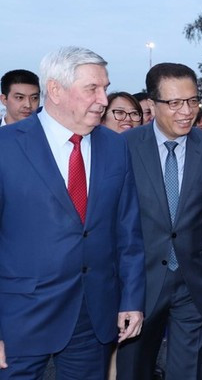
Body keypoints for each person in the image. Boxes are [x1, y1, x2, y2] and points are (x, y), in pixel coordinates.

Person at [0, 47, 145, 377]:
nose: (103, 99)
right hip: (20, 314)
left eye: (105, 88)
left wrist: (132, 299)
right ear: (55, 90)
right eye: (92, 88)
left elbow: (128, 232)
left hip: (92, 314)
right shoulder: (5, 147)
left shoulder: (115, 146)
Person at [116, 63, 202, 380]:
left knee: (187, 369)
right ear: (152, 105)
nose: (187, 111)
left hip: (192, 280)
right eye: (175, 103)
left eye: (193, 101)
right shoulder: (124, 147)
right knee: (134, 367)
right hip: (139, 282)